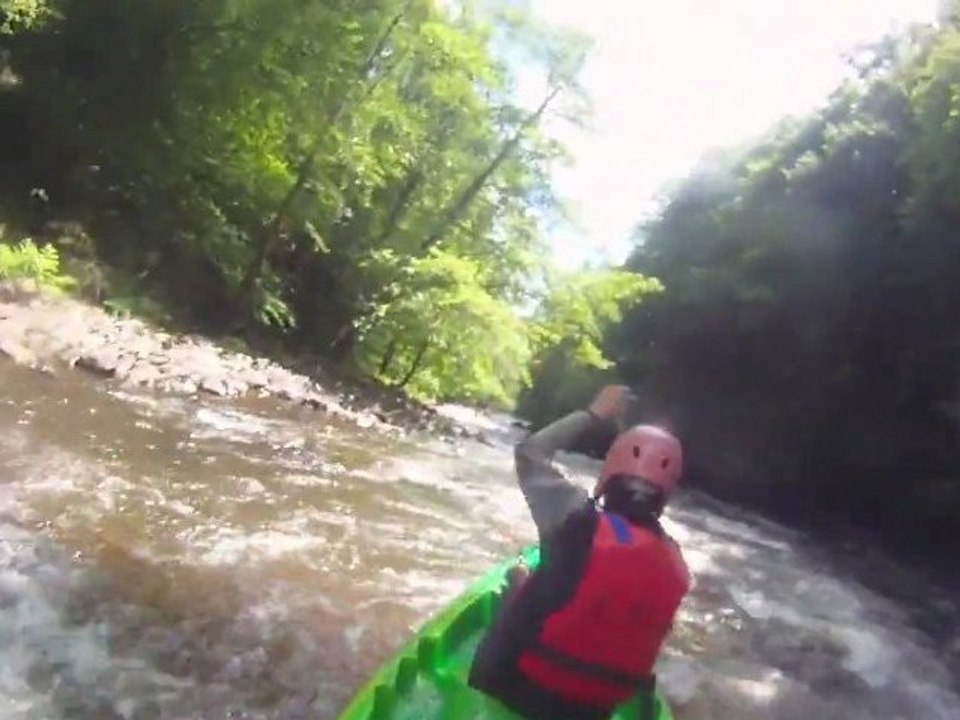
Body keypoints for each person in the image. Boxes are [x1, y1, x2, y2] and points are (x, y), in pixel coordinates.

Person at [468, 385, 690, 720]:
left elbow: (530, 452)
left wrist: (593, 414)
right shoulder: (676, 564)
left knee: (519, 575)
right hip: (591, 712)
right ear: (665, 494)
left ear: (608, 474)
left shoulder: (572, 517)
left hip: (509, 683)